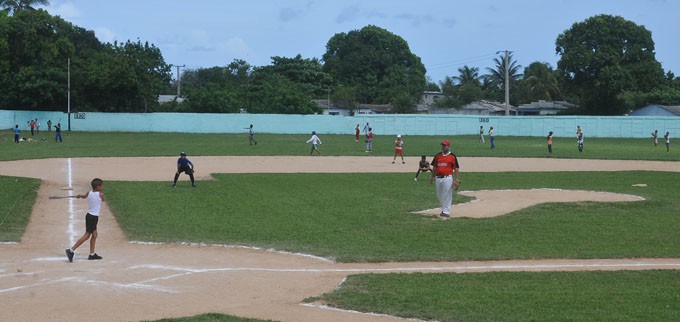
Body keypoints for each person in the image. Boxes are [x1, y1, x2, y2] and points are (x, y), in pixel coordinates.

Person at [65, 178, 106, 262]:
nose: (102, 187)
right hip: (93, 218)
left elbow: (84, 196)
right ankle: (71, 250)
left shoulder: (89, 193)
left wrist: (79, 196)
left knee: (94, 235)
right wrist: (101, 195)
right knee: (87, 235)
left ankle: (92, 254)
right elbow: (103, 199)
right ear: (97, 187)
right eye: (101, 186)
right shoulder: (100, 194)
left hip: (90, 216)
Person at [430, 140, 461, 218]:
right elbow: (435, 167)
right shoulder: (438, 155)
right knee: (439, 194)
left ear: (448, 146)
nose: (443, 147)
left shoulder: (452, 156)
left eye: (445, 145)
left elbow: (456, 168)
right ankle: (444, 209)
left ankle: (446, 211)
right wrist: (432, 177)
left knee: (447, 194)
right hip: (438, 178)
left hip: (447, 178)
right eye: (442, 145)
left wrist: (457, 178)